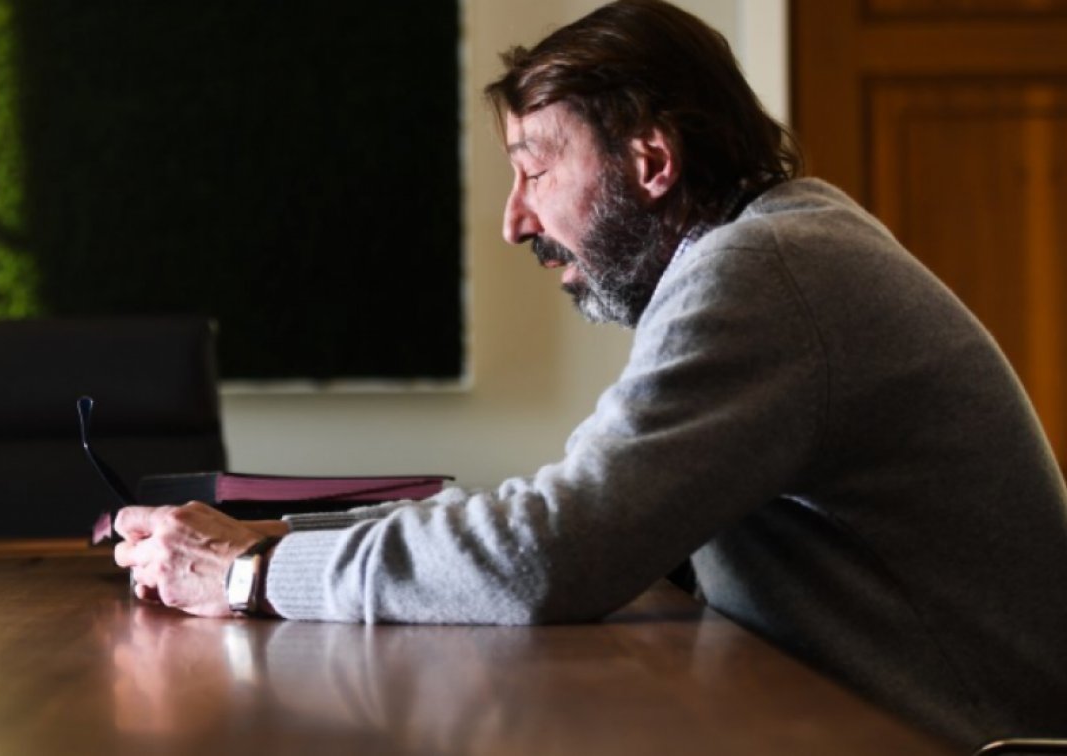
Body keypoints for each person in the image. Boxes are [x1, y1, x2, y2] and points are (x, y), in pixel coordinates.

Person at [113, 0, 1067, 747]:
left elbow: (547, 553)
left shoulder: (763, 271)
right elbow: (570, 514)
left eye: (535, 171)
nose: (515, 221)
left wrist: (252, 576)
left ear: (651, 160)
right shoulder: (777, 247)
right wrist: (282, 536)